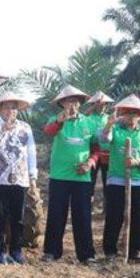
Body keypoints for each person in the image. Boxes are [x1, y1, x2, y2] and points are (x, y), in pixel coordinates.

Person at [42, 85, 99, 264]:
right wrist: (60, 121)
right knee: (56, 215)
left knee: (82, 215)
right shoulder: (56, 119)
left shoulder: (90, 123)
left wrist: (90, 163)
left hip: (81, 178)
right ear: (62, 104)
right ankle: (51, 252)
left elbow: (96, 148)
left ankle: (86, 255)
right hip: (59, 176)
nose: (71, 104)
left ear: (80, 103)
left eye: (75, 101)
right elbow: (48, 132)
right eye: (68, 101)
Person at [0, 92, 37, 265]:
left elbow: (31, 152)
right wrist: (2, 129)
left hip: (20, 178)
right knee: (0, 216)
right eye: (6, 107)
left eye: (13, 108)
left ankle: (16, 250)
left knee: (18, 217)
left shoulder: (25, 128)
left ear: (17, 110)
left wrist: (32, 175)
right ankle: (0, 251)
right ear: (0, 109)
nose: (10, 111)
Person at [100, 94, 140, 263]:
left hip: (138, 181)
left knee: (138, 217)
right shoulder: (115, 131)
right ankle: (110, 251)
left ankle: (133, 251)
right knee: (114, 215)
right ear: (122, 114)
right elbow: (104, 140)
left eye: (135, 113)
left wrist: (138, 162)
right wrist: (109, 125)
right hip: (117, 180)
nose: (131, 117)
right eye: (128, 113)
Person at [84, 91, 114, 199]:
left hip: (107, 154)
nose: (102, 106)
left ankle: (106, 208)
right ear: (93, 105)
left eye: (104, 104)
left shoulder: (109, 118)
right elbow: (80, 117)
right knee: (90, 180)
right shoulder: (88, 117)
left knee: (108, 181)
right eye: (99, 104)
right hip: (92, 153)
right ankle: (88, 204)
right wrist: (94, 106)